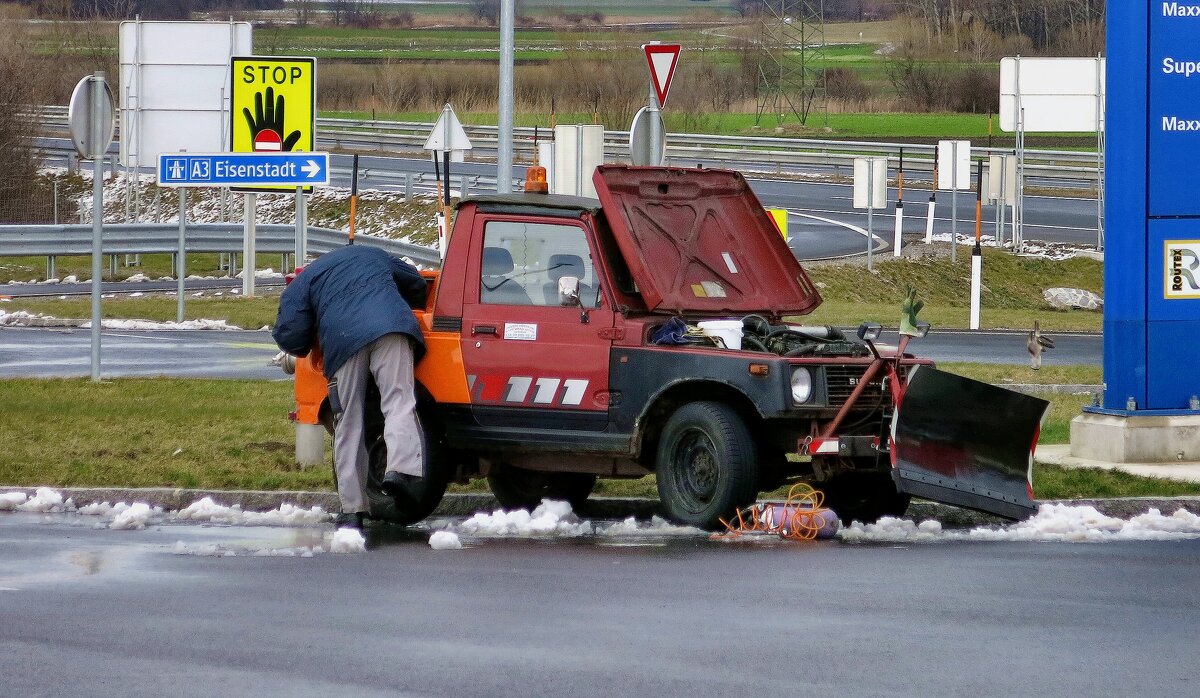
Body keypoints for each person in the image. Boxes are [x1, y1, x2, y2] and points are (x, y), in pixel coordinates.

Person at [272, 245, 428, 530]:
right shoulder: (376, 254)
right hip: (392, 328)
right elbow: (416, 283)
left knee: (348, 419)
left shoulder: (309, 276)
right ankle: (400, 472)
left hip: (344, 340)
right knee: (399, 401)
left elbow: (290, 332)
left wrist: (308, 342)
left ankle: (352, 510)